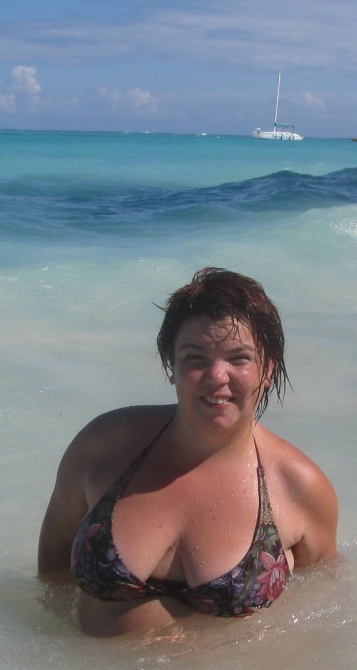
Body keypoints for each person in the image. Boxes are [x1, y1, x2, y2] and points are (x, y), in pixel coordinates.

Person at [38, 267, 340, 637]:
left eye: (239, 358)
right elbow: (52, 569)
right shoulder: (104, 446)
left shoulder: (299, 487)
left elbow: (321, 600)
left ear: (267, 370)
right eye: (195, 357)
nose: (216, 376)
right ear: (172, 365)